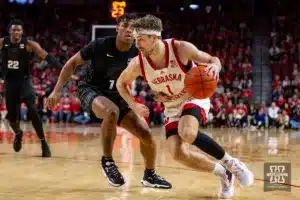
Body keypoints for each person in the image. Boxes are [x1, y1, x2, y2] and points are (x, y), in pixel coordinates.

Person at [116, 14, 254, 198]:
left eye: (140, 40)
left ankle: (233, 164)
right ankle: (224, 173)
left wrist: (215, 68)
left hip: (193, 97)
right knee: (177, 153)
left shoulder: (180, 48)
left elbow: (213, 60)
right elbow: (120, 83)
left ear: (154, 38)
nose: (137, 44)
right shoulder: (138, 63)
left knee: (187, 132)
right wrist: (134, 105)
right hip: (172, 107)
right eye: (135, 40)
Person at [47, 14, 171, 189]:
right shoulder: (99, 45)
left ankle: (149, 175)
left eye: (134, 28)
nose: (130, 30)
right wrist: (57, 90)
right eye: (126, 26)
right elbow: (71, 64)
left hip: (117, 94)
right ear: (117, 28)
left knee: (146, 135)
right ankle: (107, 162)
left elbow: (151, 75)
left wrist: (158, 93)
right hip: (90, 89)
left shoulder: (138, 51)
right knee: (111, 111)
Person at [0, 19, 62, 157]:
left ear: (22, 32)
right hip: (10, 83)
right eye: (14, 29)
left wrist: (63, 69)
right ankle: (18, 133)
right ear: (10, 31)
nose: (16, 32)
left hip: (25, 82)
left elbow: (47, 56)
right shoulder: (2, 42)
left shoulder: (29, 44)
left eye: (19, 30)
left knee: (32, 110)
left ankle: (43, 143)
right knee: (12, 118)